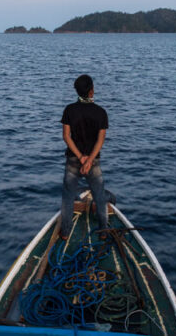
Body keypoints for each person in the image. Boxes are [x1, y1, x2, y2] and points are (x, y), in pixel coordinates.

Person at [59, 74, 109, 240]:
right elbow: (100, 140)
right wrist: (88, 160)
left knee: (68, 197)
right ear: (91, 91)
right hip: (92, 161)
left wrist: (80, 158)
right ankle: (103, 232)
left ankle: (65, 233)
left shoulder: (69, 110)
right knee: (100, 197)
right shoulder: (101, 113)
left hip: (73, 160)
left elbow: (67, 136)